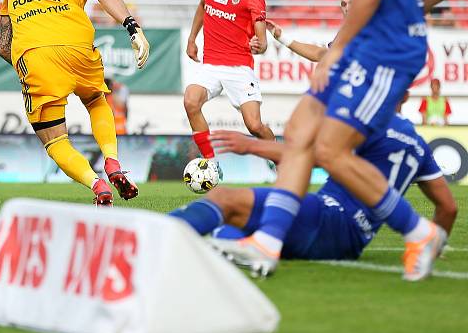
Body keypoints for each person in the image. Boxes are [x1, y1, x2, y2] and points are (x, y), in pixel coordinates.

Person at [211, 0, 456, 282]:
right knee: (301, 129)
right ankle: (267, 243)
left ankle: (417, 230)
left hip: (383, 49)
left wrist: (338, 49)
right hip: (384, 39)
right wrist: (408, 10)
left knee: (328, 147)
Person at [171, 107, 457, 263]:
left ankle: (150, 238)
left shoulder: (369, 125)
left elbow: (315, 156)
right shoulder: (418, 144)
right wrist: (434, 249)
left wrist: (252, 146)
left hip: (329, 217)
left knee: (223, 199)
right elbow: (448, 208)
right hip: (350, 241)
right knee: (229, 231)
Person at [0, 0, 149, 206]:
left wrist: (30, 66)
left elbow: (3, 46)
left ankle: (97, 184)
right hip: (77, 47)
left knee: (55, 140)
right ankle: (113, 161)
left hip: (35, 55)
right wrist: (132, 27)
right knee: (96, 99)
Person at [184, 0, 273, 182]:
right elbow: (203, 7)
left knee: (254, 125)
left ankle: (279, 157)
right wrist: (192, 38)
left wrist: (260, 45)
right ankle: (212, 164)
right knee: (191, 101)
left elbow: (262, 38)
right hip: (211, 64)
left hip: (239, 67)